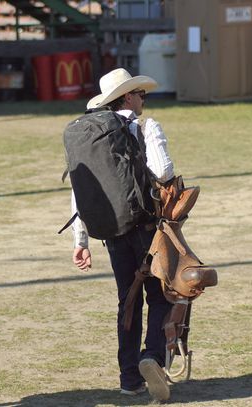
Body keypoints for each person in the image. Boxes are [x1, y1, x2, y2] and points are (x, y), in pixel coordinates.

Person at [70, 68, 174, 401]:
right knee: (162, 296)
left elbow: (80, 191)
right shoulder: (145, 126)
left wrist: (80, 240)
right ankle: (152, 357)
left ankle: (129, 378)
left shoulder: (91, 138)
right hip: (146, 226)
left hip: (112, 229)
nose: (144, 98)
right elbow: (163, 171)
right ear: (127, 97)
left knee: (128, 301)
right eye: (140, 93)